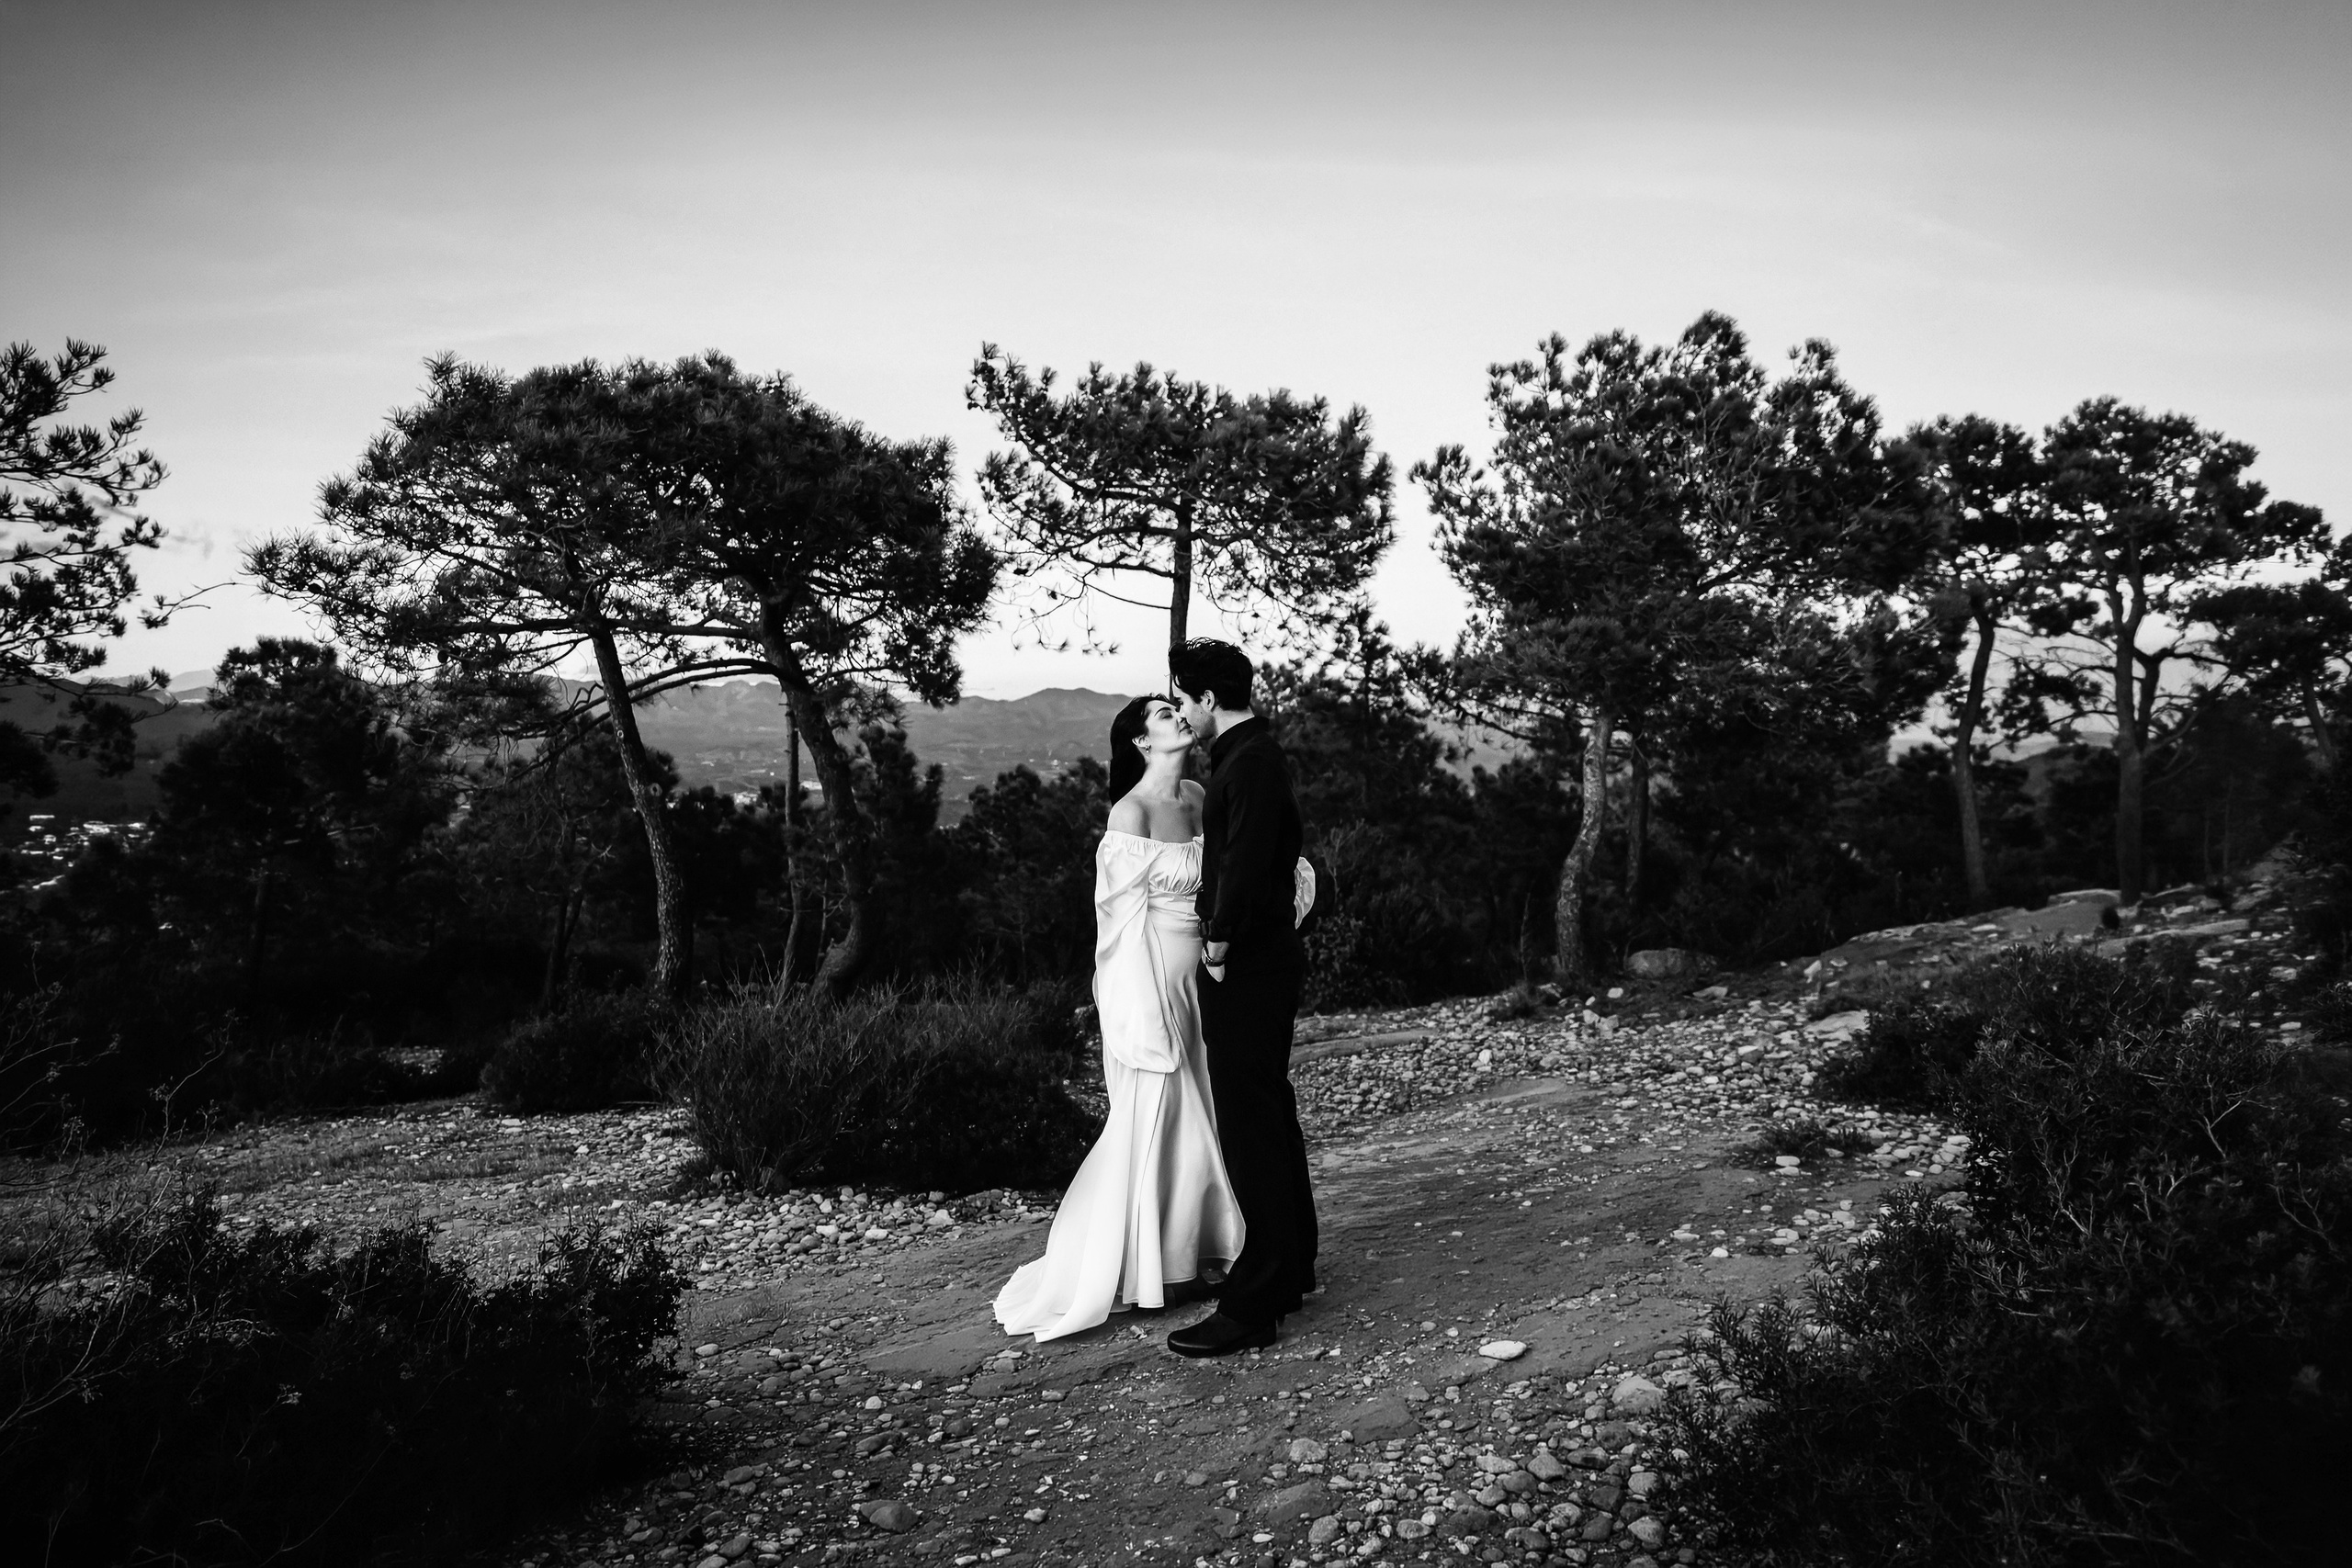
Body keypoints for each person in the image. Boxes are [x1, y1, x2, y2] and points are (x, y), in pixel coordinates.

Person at [992, 694, 1245, 1340]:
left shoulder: (1197, 790)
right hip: (1154, 970)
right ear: (1140, 740)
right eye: (1163, 712)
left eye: (1176, 706)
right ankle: (1157, 1264)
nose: (1178, 715)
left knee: (1207, 1101)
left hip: (1209, 970)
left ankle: (1206, 1245)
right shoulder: (1129, 811)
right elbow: (1117, 922)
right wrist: (1133, 1008)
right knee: (1166, 1102)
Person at [1165, 638, 1319, 1358]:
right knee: (1268, 1110)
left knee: (1249, 1124)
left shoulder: (1248, 761)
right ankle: (1292, 1268)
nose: (1181, 715)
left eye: (1182, 700)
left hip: (1248, 965)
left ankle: (1255, 1302)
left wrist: (1218, 946)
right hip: (1258, 961)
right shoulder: (1252, 755)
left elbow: (1249, 865)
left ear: (1206, 698)